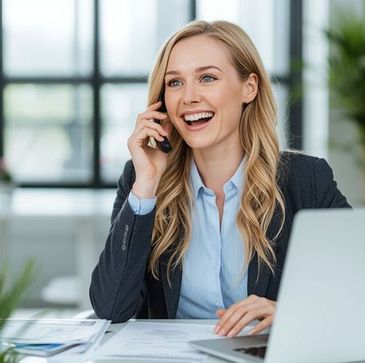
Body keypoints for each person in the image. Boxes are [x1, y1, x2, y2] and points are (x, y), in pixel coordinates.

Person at [90, 20, 350, 337]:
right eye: (174, 83)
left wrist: (291, 313)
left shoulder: (306, 179)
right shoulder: (141, 179)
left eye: (207, 78)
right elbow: (111, 308)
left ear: (249, 88)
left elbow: (360, 287)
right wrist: (146, 184)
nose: (189, 97)